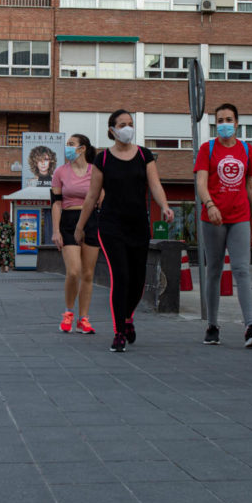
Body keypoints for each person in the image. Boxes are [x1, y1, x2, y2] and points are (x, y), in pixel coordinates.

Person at [75, 110, 174, 353]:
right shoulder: (103, 159)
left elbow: (155, 185)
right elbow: (91, 196)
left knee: (138, 280)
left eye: (130, 124)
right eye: (122, 124)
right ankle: (119, 331)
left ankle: (128, 317)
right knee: (121, 277)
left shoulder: (144, 154)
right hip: (110, 226)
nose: (127, 128)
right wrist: (79, 226)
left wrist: (165, 206)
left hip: (138, 225)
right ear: (112, 130)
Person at [194, 104, 252, 347]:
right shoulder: (208, 148)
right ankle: (212, 325)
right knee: (214, 270)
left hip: (240, 217)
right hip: (213, 218)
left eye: (229, 119)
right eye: (220, 120)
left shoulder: (246, 149)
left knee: (242, 269)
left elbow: (250, 185)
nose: (225, 123)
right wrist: (210, 204)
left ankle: (250, 326)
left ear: (237, 123)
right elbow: (201, 182)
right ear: (216, 124)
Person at [51, 133, 99, 334]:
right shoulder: (60, 172)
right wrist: (55, 231)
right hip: (69, 222)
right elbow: (56, 203)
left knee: (88, 274)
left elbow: (101, 199)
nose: (67, 147)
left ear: (82, 148)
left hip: (91, 221)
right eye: (67, 144)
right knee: (73, 271)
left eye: (72, 144)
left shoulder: (95, 171)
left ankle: (84, 319)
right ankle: (68, 312)